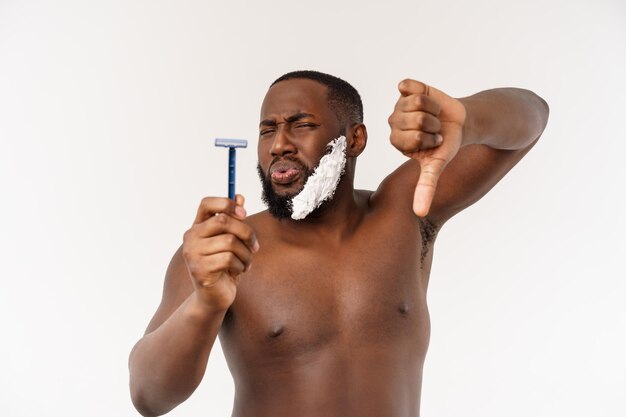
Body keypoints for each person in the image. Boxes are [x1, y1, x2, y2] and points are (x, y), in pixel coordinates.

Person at [128, 70, 549, 417]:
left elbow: (533, 115)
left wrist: (468, 119)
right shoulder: (223, 251)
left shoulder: (403, 214)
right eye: (267, 130)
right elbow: (149, 396)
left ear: (354, 140)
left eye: (302, 125)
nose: (279, 145)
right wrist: (205, 303)